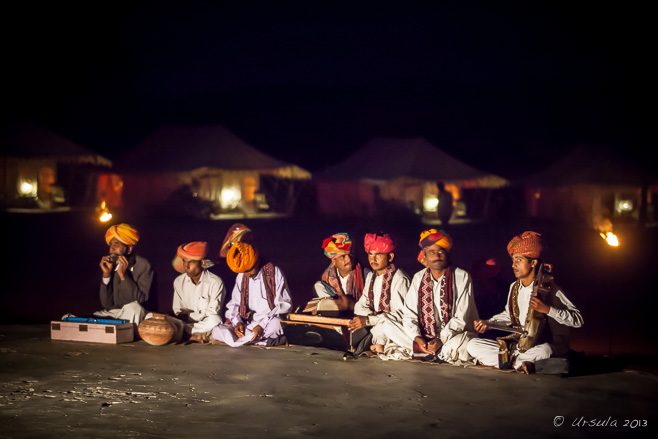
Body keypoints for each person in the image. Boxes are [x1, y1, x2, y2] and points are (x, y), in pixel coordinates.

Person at [467, 231, 584, 374]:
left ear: (533, 262)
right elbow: (508, 315)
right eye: (513, 260)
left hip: (546, 345)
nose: (513, 265)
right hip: (520, 346)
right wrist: (488, 323)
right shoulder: (514, 287)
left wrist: (547, 310)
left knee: (545, 351)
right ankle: (520, 363)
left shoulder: (550, 288)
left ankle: (509, 362)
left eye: (518, 260)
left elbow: (577, 320)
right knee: (472, 344)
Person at [379, 229, 478, 363]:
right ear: (425, 255)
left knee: (465, 343)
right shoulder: (418, 277)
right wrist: (417, 338)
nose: (436, 256)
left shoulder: (462, 276)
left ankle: (424, 352)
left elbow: (460, 318)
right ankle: (428, 351)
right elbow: (409, 314)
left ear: (447, 254)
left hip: (452, 336)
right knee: (387, 326)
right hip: (424, 337)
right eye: (432, 252)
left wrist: (440, 340)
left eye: (441, 252)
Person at [211, 225, 292, 347]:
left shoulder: (274, 272)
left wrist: (261, 325)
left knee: (277, 324)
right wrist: (238, 323)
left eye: (249, 270)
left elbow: (284, 305)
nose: (246, 274)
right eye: (244, 272)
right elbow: (234, 304)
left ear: (256, 260)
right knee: (217, 331)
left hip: (268, 323)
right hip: (248, 323)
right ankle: (262, 341)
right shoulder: (242, 275)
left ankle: (249, 340)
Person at [348, 233, 409, 355]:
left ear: (390, 257)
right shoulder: (371, 276)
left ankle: (382, 346)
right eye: (370, 254)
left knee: (384, 326)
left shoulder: (399, 279)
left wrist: (369, 320)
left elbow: (400, 315)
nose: (372, 259)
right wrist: (370, 318)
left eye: (378, 255)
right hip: (376, 323)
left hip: (392, 327)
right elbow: (359, 306)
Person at [168, 241, 226, 343]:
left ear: (202, 263)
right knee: (155, 318)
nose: (186, 266)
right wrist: (180, 316)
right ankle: (195, 334)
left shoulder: (215, 282)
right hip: (185, 324)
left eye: (190, 262)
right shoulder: (178, 281)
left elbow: (213, 312)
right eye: (184, 261)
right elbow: (177, 310)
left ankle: (185, 334)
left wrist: (191, 315)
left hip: (204, 323)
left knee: (216, 320)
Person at [96, 223, 153, 325]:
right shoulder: (111, 266)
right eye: (110, 245)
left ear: (129, 248)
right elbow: (107, 304)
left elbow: (139, 301)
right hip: (114, 314)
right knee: (68, 317)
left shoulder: (143, 265)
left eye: (116, 244)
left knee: (134, 309)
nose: (111, 248)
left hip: (134, 314)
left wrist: (123, 275)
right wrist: (106, 275)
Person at [313, 233, 368, 311]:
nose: (348, 259)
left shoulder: (365, 275)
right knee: (318, 286)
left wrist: (350, 304)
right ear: (334, 261)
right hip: (337, 317)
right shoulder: (327, 278)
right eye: (343, 256)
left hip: (359, 315)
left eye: (350, 254)